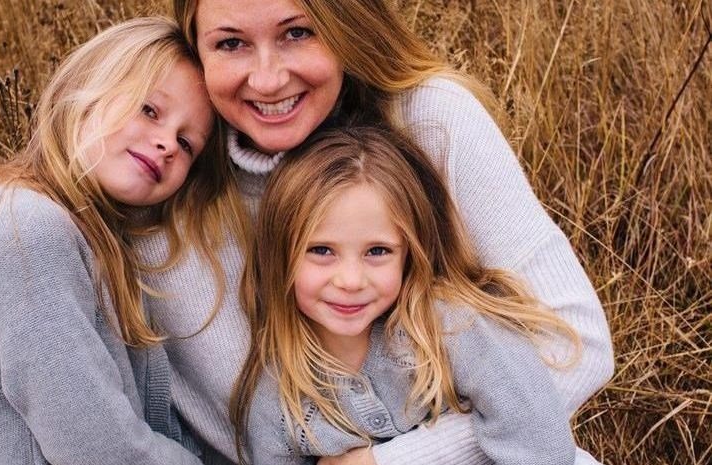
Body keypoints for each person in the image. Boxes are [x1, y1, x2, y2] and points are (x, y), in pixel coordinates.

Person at [129, 0, 613, 463]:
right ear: (196, 48)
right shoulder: (161, 176)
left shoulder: (428, 119)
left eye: (297, 32)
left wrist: (392, 461)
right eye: (231, 44)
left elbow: (580, 348)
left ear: (345, 24)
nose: (268, 78)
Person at [0, 17, 235, 464]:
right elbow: (101, 452)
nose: (168, 144)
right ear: (88, 89)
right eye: (149, 110)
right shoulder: (29, 231)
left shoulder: (88, 233)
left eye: (187, 144)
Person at [234, 126, 598, 465]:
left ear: (409, 254)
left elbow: (537, 437)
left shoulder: (453, 325)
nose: (349, 280)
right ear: (280, 257)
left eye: (377, 251)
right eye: (321, 250)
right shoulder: (277, 404)